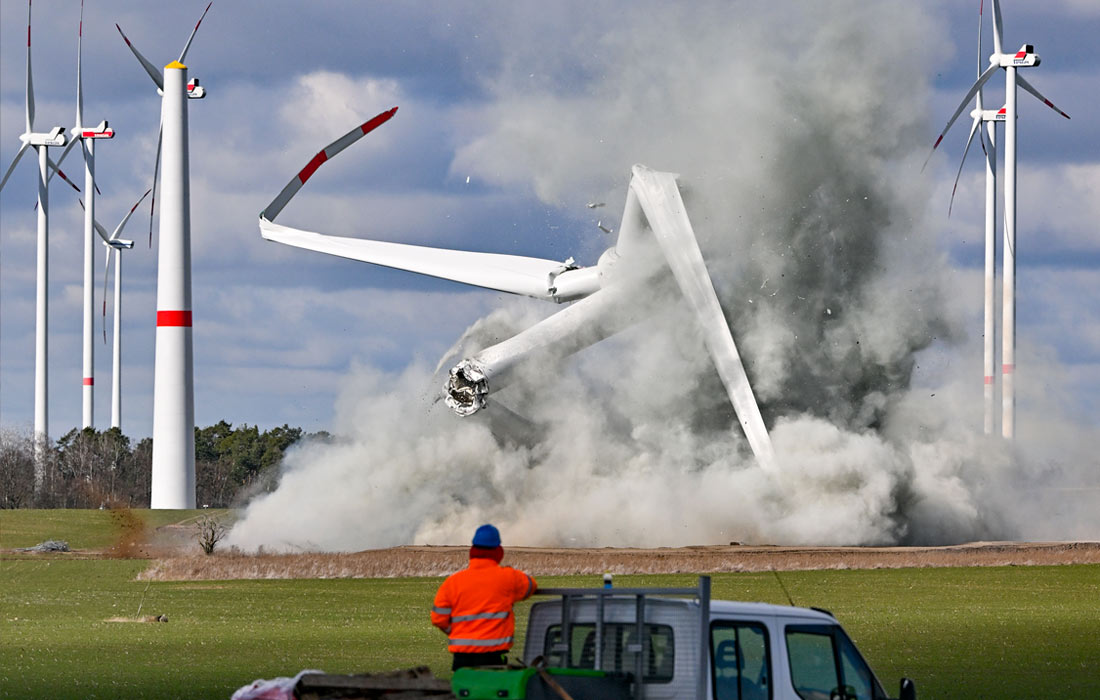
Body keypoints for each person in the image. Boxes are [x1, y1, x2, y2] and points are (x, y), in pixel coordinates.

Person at [431, 524, 538, 670]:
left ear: (472, 552)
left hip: (462, 658)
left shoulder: (453, 582)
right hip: (493, 657)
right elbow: (531, 586)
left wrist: (459, 631)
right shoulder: (508, 578)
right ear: (499, 552)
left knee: (464, 691)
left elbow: (438, 618)